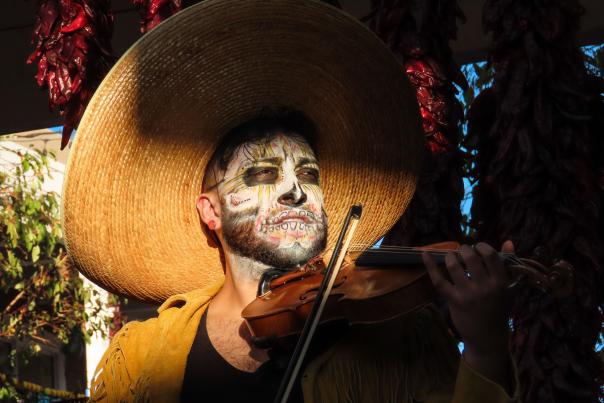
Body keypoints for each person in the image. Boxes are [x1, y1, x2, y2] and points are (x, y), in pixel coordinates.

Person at [61, 1, 519, 401]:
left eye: (308, 174)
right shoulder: (145, 357)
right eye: (262, 174)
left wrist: (483, 345)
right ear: (211, 211)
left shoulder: (394, 333)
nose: (294, 190)